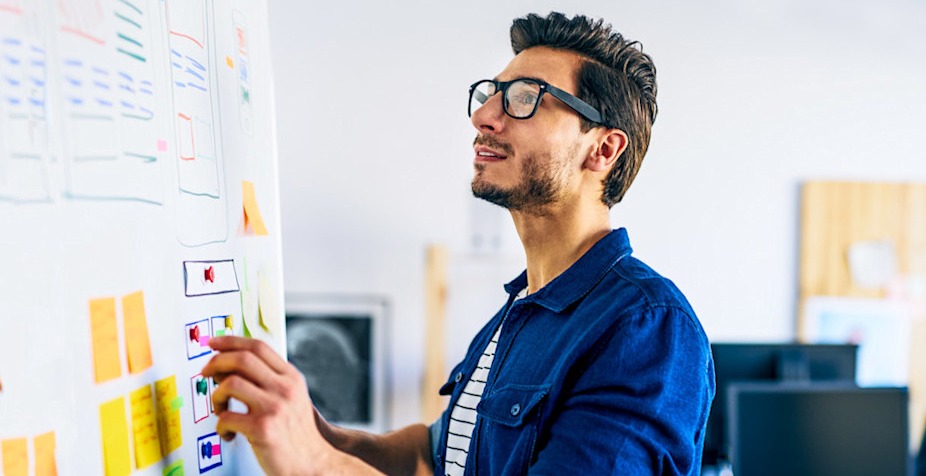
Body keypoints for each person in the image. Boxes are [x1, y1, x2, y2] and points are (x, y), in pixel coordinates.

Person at [202, 11, 715, 475]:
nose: (484, 117)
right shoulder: (521, 310)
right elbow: (436, 455)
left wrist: (314, 463)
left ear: (603, 148)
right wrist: (316, 433)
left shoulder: (646, 328)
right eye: (493, 94)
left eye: (524, 98)